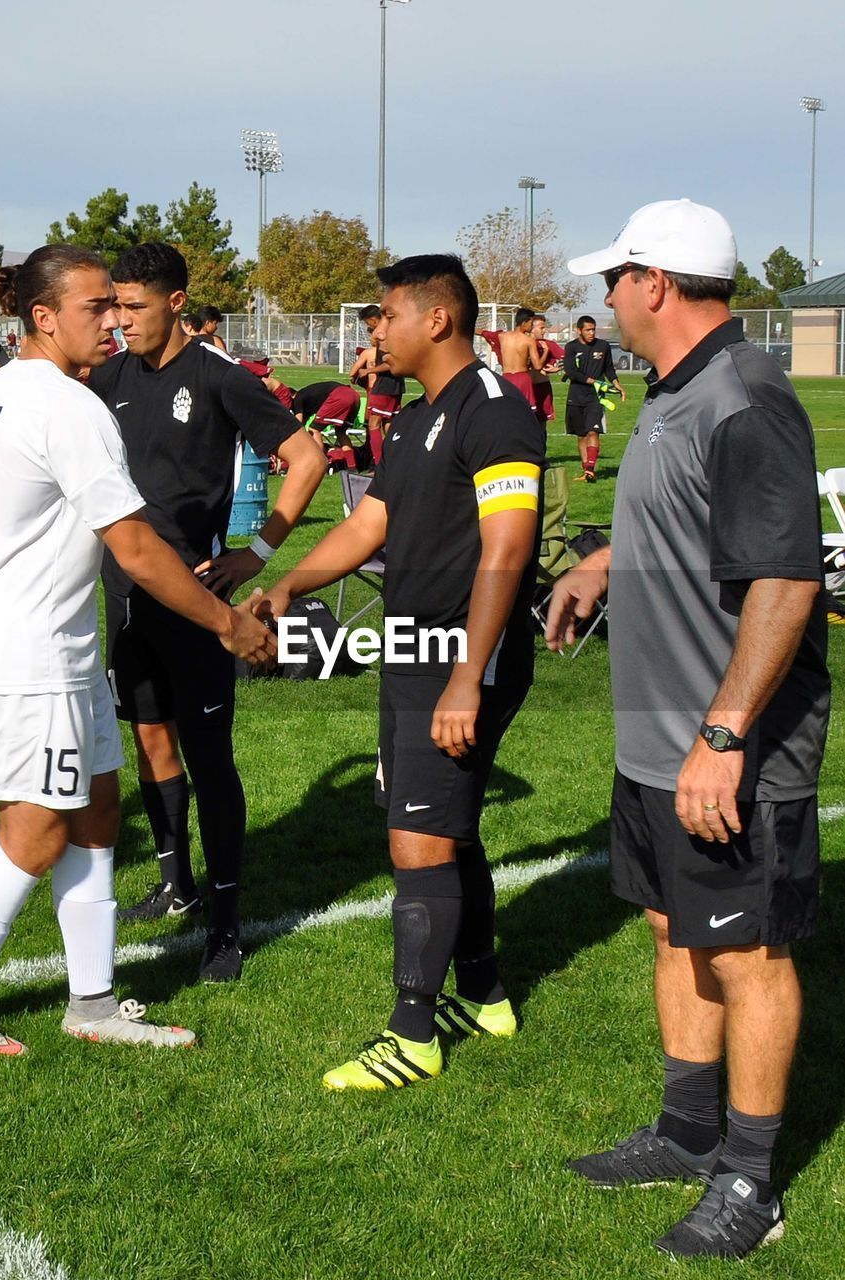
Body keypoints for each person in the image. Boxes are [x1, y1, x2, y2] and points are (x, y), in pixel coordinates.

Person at [546, 199, 830, 1260]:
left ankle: (751, 1181)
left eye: (614, 277)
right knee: (674, 929)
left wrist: (723, 734)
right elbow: (700, 526)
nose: (604, 296)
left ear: (655, 284)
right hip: (656, 737)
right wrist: (601, 563)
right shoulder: (674, 391)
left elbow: (787, 580)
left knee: (749, 952)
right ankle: (685, 1128)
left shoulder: (745, 399)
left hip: (729, 748)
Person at [0, 244, 277, 1057]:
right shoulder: (66, 406)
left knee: (98, 811)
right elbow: (139, 549)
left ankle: (93, 1002)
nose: (112, 320)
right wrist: (228, 624)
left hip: (53, 647)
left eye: (117, 306)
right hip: (35, 655)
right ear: (43, 318)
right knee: (37, 830)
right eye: (94, 308)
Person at [260, 254, 544, 1090]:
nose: (373, 329)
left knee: (416, 839)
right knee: (447, 827)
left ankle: (411, 1033)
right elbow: (372, 521)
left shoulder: (495, 411)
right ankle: (485, 993)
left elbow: (509, 545)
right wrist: (290, 578)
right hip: (414, 650)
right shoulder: (422, 416)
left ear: (438, 320)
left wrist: (468, 673)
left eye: (384, 315)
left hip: (459, 658)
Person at [87, 243, 325, 982]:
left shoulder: (219, 377)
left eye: (134, 306)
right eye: (113, 306)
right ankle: (174, 884)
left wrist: (255, 552)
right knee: (150, 741)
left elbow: (307, 455)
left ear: (177, 303)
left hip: (197, 601)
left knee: (208, 757)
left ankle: (224, 920)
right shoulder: (109, 376)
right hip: (125, 593)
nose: (120, 320)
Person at [562, 314, 625, 481]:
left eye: (593, 329)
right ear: (579, 331)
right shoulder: (571, 347)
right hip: (575, 396)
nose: (591, 333)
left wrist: (617, 384)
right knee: (581, 435)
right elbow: (570, 372)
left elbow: (609, 369)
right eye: (588, 330)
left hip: (596, 397)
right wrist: (593, 381)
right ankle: (585, 470)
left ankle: (590, 469)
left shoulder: (603, 346)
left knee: (593, 431)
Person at [349, 304, 406, 463]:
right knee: (389, 424)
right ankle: (396, 460)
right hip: (396, 385)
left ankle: (380, 464)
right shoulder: (393, 332)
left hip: (385, 385)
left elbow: (391, 363)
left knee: (373, 425)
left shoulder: (385, 336)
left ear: (374, 319)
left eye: (369, 324)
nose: (370, 329)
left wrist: (369, 371)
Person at [479, 308, 548, 413]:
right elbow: (538, 366)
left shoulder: (501, 336)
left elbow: (482, 332)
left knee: (507, 412)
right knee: (525, 413)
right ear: (524, 322)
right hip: (523, 378)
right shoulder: (529, 341)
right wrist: (546, 351)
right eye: (531, 323)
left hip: (507, 378)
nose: (532, 326)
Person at [292, 380, 363, 471]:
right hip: (354, 395)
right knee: (341, 432)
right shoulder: (310, 398)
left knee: (314, 429)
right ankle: (352, 467)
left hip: (339, 395)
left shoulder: (298, 398)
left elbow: (297, 424)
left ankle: (320, 465)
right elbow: (303, 423)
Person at [528, 313, 563, 425]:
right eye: (541, 328)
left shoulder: (548, 344)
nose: (544, 331)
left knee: (541, 425)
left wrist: (557, 368)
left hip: (542, 387)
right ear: (531, 328)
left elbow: (568, 359)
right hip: (526, 388)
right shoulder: (523, 343)